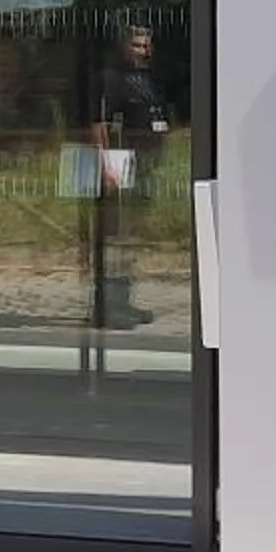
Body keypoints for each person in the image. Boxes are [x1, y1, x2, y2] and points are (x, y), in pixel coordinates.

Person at [92, 24, 170, 331]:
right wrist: (106, 164)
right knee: (115, 238)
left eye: (146, 46)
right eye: (137, 45)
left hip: (146, 163)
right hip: (121, 163)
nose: (143, 51)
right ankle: (109, 306)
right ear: (124, 47)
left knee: (131, 238)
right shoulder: (111, 80)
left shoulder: (146, 79)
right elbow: (99, 124)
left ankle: (124, 300)